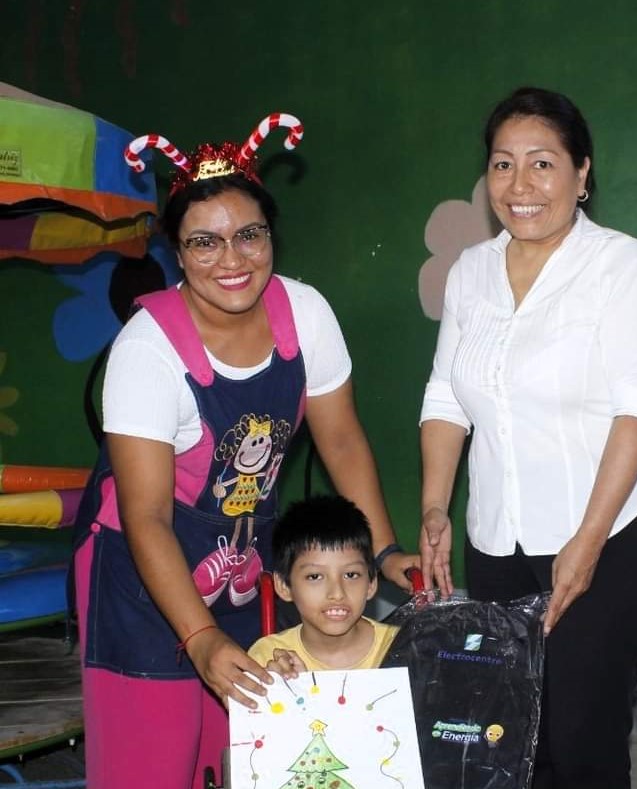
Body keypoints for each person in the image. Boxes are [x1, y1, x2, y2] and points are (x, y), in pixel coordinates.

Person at [71, 115, 416, 789]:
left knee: (246, 760)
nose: (232, 259)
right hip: (139, 579)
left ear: (270, 235)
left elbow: (341, 438)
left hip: (240, 563)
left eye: (248, 235)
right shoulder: (147, 349)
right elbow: (147, 516)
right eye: (205, 242)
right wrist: (199, 639)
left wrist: (382, 550)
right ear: (175, 248)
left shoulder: (305, 313)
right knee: (153, 765)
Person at [418, 87, 637, 788]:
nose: (519, 186)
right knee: (511, 742)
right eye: (502, 165)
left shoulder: (620, 267)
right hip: (496, 542)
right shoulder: (471, 273)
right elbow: (445, 396)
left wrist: (587, 541)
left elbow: (635, 412)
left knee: (583, 742)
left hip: (602, 539)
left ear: (582, 174)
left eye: (542, 164)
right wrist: (436, 506)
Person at [248, 495, 398, 675]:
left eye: (351, 575)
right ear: (283, 586)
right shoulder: (269, 658)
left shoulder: (400, 647)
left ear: (371, 582)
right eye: (315, 576)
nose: (337, 593)